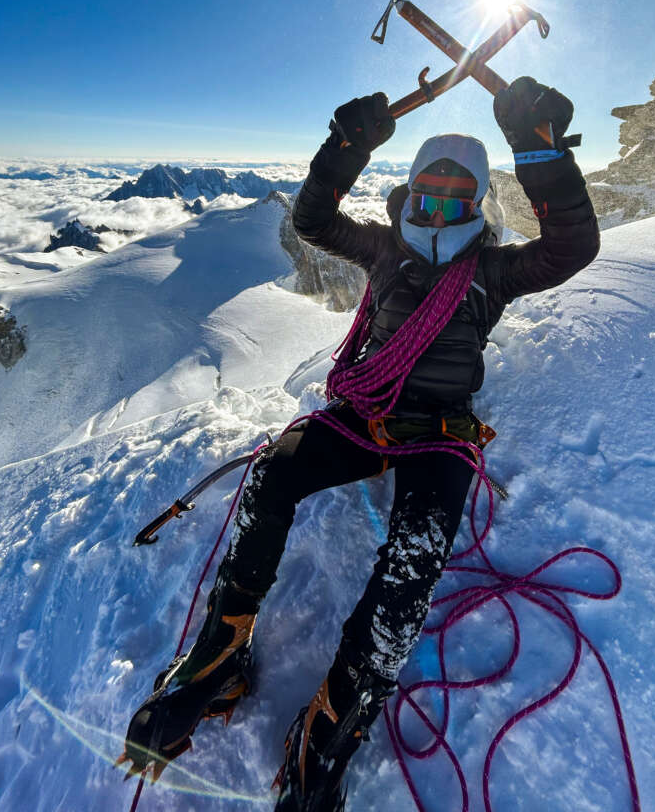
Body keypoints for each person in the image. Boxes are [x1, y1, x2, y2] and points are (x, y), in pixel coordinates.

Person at [122, 76, 600, 811]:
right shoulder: (384, 251)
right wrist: (344, 151)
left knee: (414, 558)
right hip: (364, 412)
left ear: (477, 206)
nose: (437, 209)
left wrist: (537, 152)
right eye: (426, 194)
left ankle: (338, 716)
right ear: (407, 196)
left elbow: (572, 245)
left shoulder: (494, 273)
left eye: (456, 198)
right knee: (274, 475)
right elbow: (313, 219)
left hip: (439, 431)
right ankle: (220, 653)